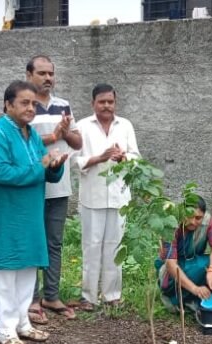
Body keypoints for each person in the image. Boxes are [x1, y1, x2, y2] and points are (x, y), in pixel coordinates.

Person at [0, 80, 67, 344]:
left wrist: (54, 167)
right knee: (6, 272)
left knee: (28, 269)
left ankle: (22, 323)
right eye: (24, 103)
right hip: (6, 214)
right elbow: (1, 174)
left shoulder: (30, 134)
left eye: (34, 104)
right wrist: (40, 165)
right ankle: (5, 331)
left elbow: (44, 171)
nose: (31, 108)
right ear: (8, 104)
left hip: (31, 213)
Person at [25, 55, 82, 323]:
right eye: (42, 73)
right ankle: (31, 299)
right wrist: (54, 136)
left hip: (59, 185)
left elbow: (78, 142)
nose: (48, 78)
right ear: (29, 75)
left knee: (54, 242)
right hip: (30, 184)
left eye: (51, 73)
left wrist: (65, 131)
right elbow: (19, 138)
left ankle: (51, 294)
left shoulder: (63, 106)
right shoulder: (22, 104)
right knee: (32, 241)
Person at [73, 83, 139, 311]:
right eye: (102, 102)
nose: (106, 106)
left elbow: (137, 157)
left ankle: (112, 295)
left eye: (110, 101)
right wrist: (99, 158)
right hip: (92, 196)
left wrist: (124, 158)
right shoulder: (82, 126)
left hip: (119, 196)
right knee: (91, 247)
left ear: (115, 103)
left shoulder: (125, 125)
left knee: (115, 246)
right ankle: (88, 296)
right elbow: (75, 160)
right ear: (93, 104)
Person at [156, 196, 212, 311]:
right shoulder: (171, 224)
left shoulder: (209, 222)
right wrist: (195, 288)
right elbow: (171, 265)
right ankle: (180, 299)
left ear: (204, 215)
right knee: (200, 266)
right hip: (170, 270)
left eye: (198, 218)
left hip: (193, 260)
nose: (193, 222)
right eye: (189, 217)